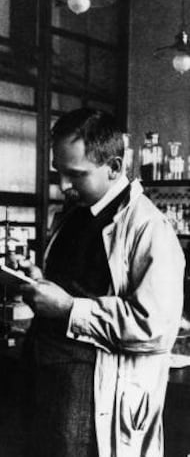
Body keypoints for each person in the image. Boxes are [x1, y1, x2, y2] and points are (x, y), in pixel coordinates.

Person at [20, 108, 184, 457]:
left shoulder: (149, 229)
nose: (64, 185)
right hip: (46, 376)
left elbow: (153, 327)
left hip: (91, 391)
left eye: (75, 175)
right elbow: (74, 283)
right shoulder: (71, 215)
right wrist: (40, 281)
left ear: (113, 167)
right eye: (59, 172)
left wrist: (67, 308)